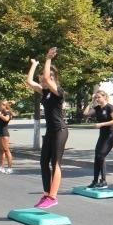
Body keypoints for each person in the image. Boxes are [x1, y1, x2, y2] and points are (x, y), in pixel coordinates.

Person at [25, 47, 67, 209]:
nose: (41, 77)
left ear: (51, 76)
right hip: (50, 131)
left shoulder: (58, 91)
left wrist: (48, 58)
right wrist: (35, 65)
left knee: (55, 163)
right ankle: (46, 194)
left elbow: (49, 81)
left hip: (60, 130)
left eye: (44, 74)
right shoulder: (44, 92)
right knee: (43, 162)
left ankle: (53, 196)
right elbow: (29, 82)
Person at [83, 90, 113, 189]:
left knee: (101, 156)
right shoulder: (97, 108)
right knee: (97, 157)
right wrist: (91, 102)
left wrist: (101, 124)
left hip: (111, 135)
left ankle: (103, 181)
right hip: (102, 135)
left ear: (104, 97)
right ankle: (95, 181)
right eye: (96, 98)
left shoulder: (110, 107)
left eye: (99, 97)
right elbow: (85, 114)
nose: (97, 99)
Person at [0, 100, 14, 174]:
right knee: (1, 151)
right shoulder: (3, 112)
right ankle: (1, 167)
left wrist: (0, 115)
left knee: (6, 150)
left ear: (4, 106)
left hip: (5, 134)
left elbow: (6, 119)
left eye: (0, 105)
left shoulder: (7, 112)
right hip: (1, 134)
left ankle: (10, 168)